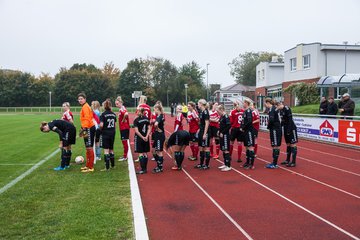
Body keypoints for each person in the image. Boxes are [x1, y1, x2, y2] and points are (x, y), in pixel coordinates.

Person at [78, 92, 96, 173]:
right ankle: (88, 165)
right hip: (86, 128)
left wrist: (84, 128)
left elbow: (87, 118)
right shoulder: (84, 106)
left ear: (85, 99)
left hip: (88, 128)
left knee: (89, 147)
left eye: (81, 99)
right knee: (87, 147)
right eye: (79, 99)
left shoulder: (85, 107)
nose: (80, 100)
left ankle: (91, 166)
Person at [278, 102, 298, 167]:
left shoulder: (287, 108)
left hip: (291, 128)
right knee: (288, 144)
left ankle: (293, 162)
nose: (277, 108)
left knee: (293, 144)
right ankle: (287, 160)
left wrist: (289, 130)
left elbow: (290, 120)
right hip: (286, 128)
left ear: (280, 104)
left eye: (278, 106)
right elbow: (283, 121)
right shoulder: (280, 111)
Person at [99, 99, 117, 171]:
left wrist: (100, 129)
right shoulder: (113, 114)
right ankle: (113, 165)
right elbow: (115, 125)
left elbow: (101, 125)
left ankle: (107, 167)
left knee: (106, 150)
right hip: (112, 132)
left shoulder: (103, 114)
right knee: (111, 149)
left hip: (105, 133)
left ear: (104, 106)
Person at [265, 98, 282, 169]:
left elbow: (271, 120)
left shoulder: (272, 109)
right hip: (278, 128)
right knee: (277, 145)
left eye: (265, 103)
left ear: (268, 103)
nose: (265, 105)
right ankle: (274, 162)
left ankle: (274, 164)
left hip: (275, 129)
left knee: (275, 145)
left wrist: (268, 127)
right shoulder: (275, 108)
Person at [133, 108, 151, 174]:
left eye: (137, 111)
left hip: (139, 138)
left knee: (140, 153)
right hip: (146, 138)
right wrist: (146, 136)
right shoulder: (146, 119)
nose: (136, 112)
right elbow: (149, 128)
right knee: (145, 153)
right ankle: (145, 168)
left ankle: (142, 169)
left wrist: (142, 137)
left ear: (140, 111)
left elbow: (136, 131)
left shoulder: (136, 120)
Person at [240, 99, 257, 169]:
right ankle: (247, 162)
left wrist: (243, 127)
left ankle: (251, 164)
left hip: (249, 131)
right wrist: (241, 127)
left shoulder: (249, 111)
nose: (243, 104)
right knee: (247, 147)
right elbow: (243, 121)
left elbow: (249, 121)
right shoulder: (245, 111)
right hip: (245, 131)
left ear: (246, 103)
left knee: (250, 147)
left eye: (243, 102)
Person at [195, 99, 211, 170]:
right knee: (201, 147)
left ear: (201, 104)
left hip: (205, 132)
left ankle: (206, 165)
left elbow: (207, 123)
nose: (197, 105)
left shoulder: (205, 112)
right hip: (201, 131)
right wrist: (199, 129)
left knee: (206, 147)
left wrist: (205, 134)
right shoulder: (201, 112)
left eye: (198, 103)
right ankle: (201, 163)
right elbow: (202, 123)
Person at [216, 105, 232, 171]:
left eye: (218, 111)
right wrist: (219, 131)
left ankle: (228, 166)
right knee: (223, 149)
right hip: (222, 135)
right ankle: (225, 164)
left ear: (221, 110)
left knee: (226, 150)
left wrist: (222, 132)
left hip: (225, 135)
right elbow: (221, 125)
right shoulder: (221, 116)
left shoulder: (226, 116)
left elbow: (229, 126)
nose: (217, 112)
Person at [152, 104, 166, 173]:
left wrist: (157, 128)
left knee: (159, 151)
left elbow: (155, 124)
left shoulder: (159, 116)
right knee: (154, 150)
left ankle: (160, 167)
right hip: (158, 135)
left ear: (157, 109)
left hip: (159, 135)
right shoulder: (161, 116)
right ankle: (158, 165)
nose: (154, 110)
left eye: (154, 109)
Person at [115, 96, 130, 161]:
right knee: (124, 142)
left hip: (124, 128)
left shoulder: (122, 109)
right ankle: (125, 155)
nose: (116, 105)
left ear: (121, 103)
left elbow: (126, 114)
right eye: (116, 104)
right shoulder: (121, 109)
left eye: (117, 104)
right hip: (123, 128)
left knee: (124, 142)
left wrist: (123, 120)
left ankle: (125, 156)